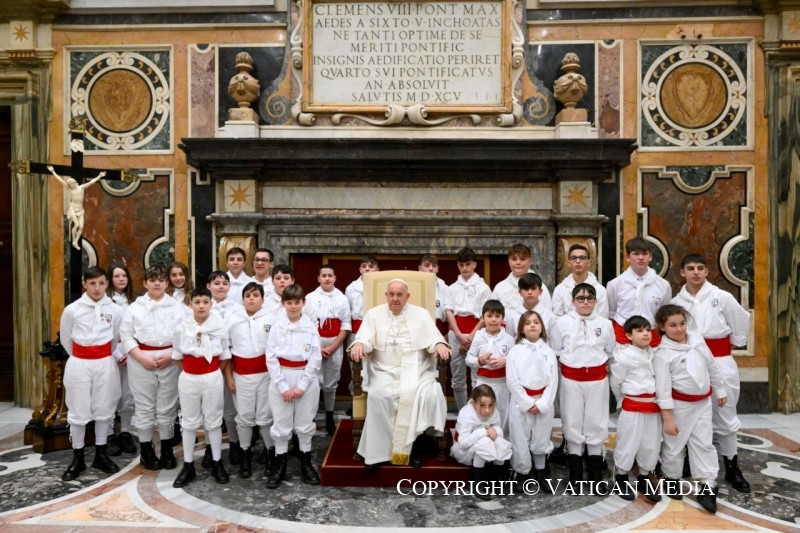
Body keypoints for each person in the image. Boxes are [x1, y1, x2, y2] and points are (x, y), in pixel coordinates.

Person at [349, 279, 451, 469]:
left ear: (407, 296)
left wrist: (439, 344)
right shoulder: (373, 314)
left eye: (399, 295)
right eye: (391, 294)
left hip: (416, 369)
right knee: (380, 395)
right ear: (386, 295)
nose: (395, 299)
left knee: (424, 393)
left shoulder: (421, 314)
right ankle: (377, 454)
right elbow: (364, 338)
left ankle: (414, 448)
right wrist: (359, 344)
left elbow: (433, 337)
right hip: (383, 369)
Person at [672, 254, 751, 492]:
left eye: (700, 268)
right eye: (690, 268)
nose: (695, 272)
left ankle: (732, 466)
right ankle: (688, 459)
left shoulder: (721, 297)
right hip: (688, 362)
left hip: (720, 360)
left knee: (725, 414)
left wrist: (730, 344)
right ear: (682, 272)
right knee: (688, 414)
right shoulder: (676, 302)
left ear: (707, 271)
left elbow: (741, 321)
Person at [653, 304, 727, 514]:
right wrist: (668, 419)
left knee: (704, 442)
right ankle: (672, 478)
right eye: (673, 325)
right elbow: (663, 389)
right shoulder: (663, 354)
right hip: (679, 406)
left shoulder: (697, 340)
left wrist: (720, 389)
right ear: (662, 327)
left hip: (702, 403)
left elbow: (711, 365)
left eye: (682, 323)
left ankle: (707, 485)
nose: (679, 329)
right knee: (674, 444)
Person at [59, 266, 124, 481]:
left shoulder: (115, 310)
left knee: (104, 409)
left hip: (105, 362)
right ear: (84, 284)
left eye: (101, 283)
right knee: (78, 411)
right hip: (79, 362)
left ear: (107, 284)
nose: (97, 288)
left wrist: (101, 354)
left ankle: (100, 455)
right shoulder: (72, 310)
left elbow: (116, 337)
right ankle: (78, 458)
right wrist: (82, 356)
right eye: (92, 283)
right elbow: (66, 339)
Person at [550, 283, 615, 486]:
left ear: (596, 301)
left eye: (589, 298)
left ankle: (595, 474)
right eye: (580, 298)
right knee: (572, 422)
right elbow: (556, 350)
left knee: (596, 422)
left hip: (597, 380)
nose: (585, 302)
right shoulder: (562, 323)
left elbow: (610, 352)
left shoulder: (605, 324)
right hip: (571, 380)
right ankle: (575, 475)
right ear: (573, 301)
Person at [119, 265, 183, 471]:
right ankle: (146, 450)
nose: (157, 283)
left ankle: (167, 449)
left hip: (169, 358)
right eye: (153, 280)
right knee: (144, 406)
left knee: (167, 406)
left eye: (161, 280)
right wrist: (140, 356)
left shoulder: (178, 307)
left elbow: (185, 334)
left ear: (167, 283)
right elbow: (126, 335)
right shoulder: (134, 308)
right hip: (141, 359)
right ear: (145, 283)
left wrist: (173, 355)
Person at [171, 287, 231, 487]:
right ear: (190, 304)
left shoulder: (219, 327)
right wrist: (192, 372)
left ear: (211, 304)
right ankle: (188, 465)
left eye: (205, 302)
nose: (201, 306)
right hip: (189, 377)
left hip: (212, 376)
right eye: (197, 302)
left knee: (213, 421)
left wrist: (211, 373)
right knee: (189, 422)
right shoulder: (182, 328)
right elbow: (177, 356)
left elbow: (224, 356)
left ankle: (217, 462)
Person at [265, 284, 322, 488]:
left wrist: (302, 385)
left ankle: (306, 464)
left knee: (304, 422)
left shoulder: (310, 327)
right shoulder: (277, 327)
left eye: (297, 302)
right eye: (289, 302)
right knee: (281, 422)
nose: (293, 306)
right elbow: (270, 356)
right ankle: (280, 465)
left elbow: (315, 357)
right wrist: (282, 386)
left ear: (303, 303)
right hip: (281, 376)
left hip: (305, 378)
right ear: (283, 304)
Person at [225, 282, 277, 479]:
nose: (251, 299)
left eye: (256, 295)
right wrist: (229, 376)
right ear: (242, 299)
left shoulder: (272, 318)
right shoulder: (232, 319)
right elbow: (226, 351)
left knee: (265, 416)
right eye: (248, 296)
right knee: (245, 417)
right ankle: (245, 454)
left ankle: (270, 453)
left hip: (265, 375)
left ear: (263, 299)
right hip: (241, 375)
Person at [609, 315, 662, 503]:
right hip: (632, 405)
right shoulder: (622, 356)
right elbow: (616, 383)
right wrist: (622, 401)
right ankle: (621, 476)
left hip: (653, 406)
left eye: (648, 330)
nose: (645, 334)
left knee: (650, 444)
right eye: (639, 331)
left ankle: (644, 477)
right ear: (629, 335)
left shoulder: (655, 354)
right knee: (628, 442)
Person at [506, 311, 558, 491]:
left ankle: (541, 470)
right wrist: (527, 403)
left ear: (542, 327)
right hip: (521, 402)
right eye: (527, 323)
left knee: (541, 435)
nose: (532, 325)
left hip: (543, 400)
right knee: (520, 437)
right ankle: (522, 472)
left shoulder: (548, 351)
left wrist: (543, 403)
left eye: (536, 322)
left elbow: (553, 380)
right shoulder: (515, 351)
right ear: (521, 329)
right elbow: (512, 380)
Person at [305, 264, 351, 436]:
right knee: (314, 381)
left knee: (331, 382)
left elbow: (345, 325)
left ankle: (330, 416)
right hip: (315, 343)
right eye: (323, 275)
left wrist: (332, 346)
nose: (327, 278)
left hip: (335, 343)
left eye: (330, 275)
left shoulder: (342, 298)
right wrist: (318, 347)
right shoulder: (310, 297)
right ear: (318, 278)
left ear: (335, 278)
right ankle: (311, 416)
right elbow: (307, 324)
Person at [446, 247, 491, 410]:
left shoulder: (483, 288)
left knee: (476, 375)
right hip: (456, 333)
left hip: (476, 332)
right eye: (461, 265)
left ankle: (476, 412)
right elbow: (449, 311)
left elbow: (485, 315)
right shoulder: (452, 288)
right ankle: (461, 412)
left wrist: (470, 337)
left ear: (474, 265)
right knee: (457, 376)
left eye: (467, 264)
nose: (464, 268)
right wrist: (459, 335)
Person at [206, 270, 243, 465]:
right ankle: (210, 447)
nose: (221, 286)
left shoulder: (237, 309)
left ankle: (235, 443)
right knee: (209, 407)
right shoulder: (203, 307)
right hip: (208, 363)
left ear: (229, 286)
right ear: (208, 286)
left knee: (230, 407)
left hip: (230, 362)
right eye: (216, 283)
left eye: (224, 283)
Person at [450, 384, 512, 500]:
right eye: (482, 405)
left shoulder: (494, 412)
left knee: (498, 441)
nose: (487, 410)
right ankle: (476, 481)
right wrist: (482, 432)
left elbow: (498, 430)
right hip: (464, 451)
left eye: (491, 405)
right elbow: (462, 444)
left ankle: (497, 479)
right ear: (474, 403)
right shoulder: (467, 413)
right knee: (485, 441)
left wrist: (496, 431)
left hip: (487, 450)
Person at [607, 237, 672, 347]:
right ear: (628, 257)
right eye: (636, 254)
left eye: (645, 254)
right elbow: (611, 314)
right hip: (622, 336)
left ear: (650, 256)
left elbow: (664, 315)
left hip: (652, 336)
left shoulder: (663, 285)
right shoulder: (615, 284)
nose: (641, 258)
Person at [465, 300, 515, 434]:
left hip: (502, 384)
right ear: (483, 318)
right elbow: (468, 359)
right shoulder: (478, 336)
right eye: (489, 316)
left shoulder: (509, 339)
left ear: (502, 318)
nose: (493, 320)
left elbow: (516, 360)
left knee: (502, 413)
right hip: (483, 383)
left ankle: (501, 439)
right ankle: (481, 438)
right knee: (481, 413)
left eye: (497, 316)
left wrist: (505, 360)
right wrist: (480, 361)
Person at [105, 263, 137, 456]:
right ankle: (109, 433)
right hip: (111, 353)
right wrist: (117, 353)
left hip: (131, 353)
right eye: (117, 276)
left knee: (128, 394)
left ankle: (125, 431)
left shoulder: (134, 302)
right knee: (110, 393)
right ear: (110, 279)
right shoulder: (105, 303)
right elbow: (105, 331)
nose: (121, 279)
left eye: (124, 275)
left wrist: (131, 352)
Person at [46, 165, 106, 249]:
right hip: (73, 209)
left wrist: (99, 176)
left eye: (71, 184)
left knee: (81, 227)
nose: (70, 186)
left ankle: (75, 241)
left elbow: (91, 182)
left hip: (80, 210)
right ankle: (74, 239)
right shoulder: (70, 189)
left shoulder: (81, 188)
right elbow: (60, 180)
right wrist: (53, 171)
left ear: (74, 183)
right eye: (69, 185)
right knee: (77, 224)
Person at [345, 255, 379, 394]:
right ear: (360, 269)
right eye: (364, 266)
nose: (367, 269)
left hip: (376, 331)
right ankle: (356, 398)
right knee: (356, 364)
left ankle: (374, 397)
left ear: (377, 269)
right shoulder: (351, 288)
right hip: (356, 331)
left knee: (375, 366)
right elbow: (347, 311)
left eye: (371, 266)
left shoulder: (382, 286)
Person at [492, 243, 552, 314]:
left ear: (529, 261)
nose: (518, 263)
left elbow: (547, 313)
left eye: (522, 259)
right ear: (508, 261)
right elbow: (493, 313)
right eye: (514, 259)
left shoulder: (539, 287)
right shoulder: (500, 288)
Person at [552, 243, 609, 318]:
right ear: (568, 263)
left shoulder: (600, 290)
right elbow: (557, 319)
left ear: (589, 262)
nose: (578, 261)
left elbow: (603, 319)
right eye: (574, 258)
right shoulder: (560, 290)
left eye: (582, 258)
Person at [504, 273, 556, 340]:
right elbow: (509, 340)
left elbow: (555, 343)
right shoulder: (512, 316)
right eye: (526, 289)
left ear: (540, 291)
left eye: (533, 289)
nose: (530, 292)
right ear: (520, 292)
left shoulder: (550, 317)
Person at [418, 254, 452, 336]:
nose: (431, 269)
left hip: (440, 329)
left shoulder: (445, 288)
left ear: (437, 269)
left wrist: (447, 335)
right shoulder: (414, 286)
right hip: (420, 328)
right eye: (427, 265)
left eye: (434, 266)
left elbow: (449, 312)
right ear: (420, 268)